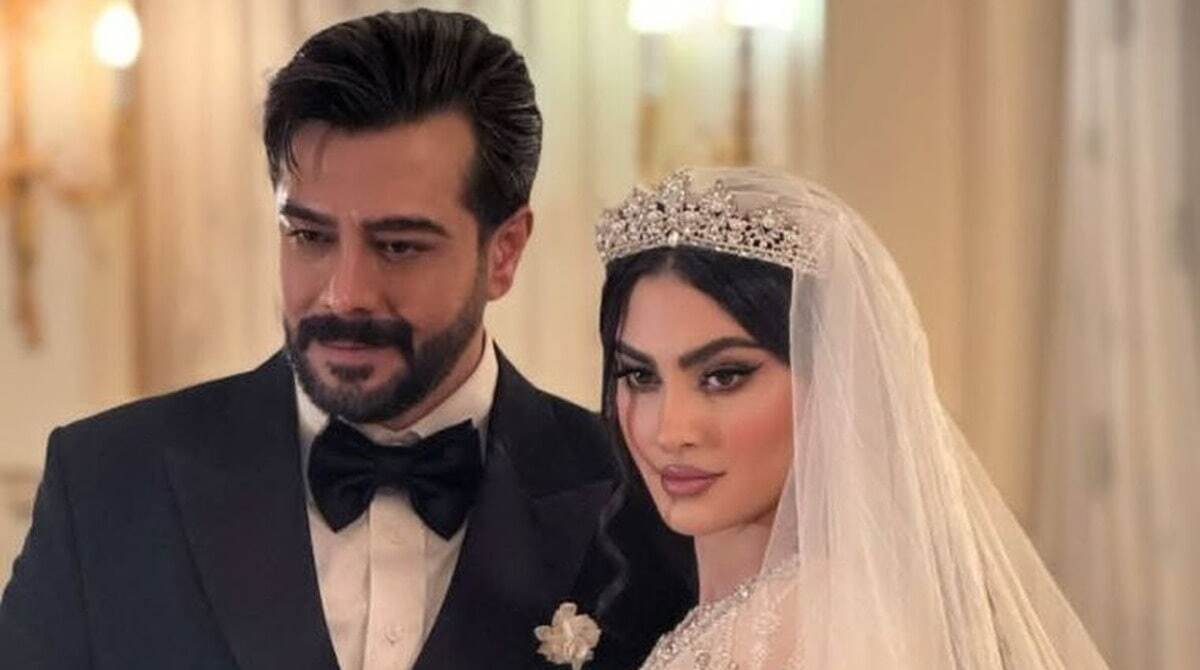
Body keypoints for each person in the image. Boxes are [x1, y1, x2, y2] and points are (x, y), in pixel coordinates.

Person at [0, 10, 691, 670]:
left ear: (504, 252)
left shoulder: (645, 501)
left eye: (398, 245)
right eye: (310, 236)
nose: (344, 293)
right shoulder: (106, 484)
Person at [595, 167, 1110, 669]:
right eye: (640, 376)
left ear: (832, 380)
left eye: (724, 377)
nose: (671, 431)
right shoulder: (824, 608)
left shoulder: (799, 627)